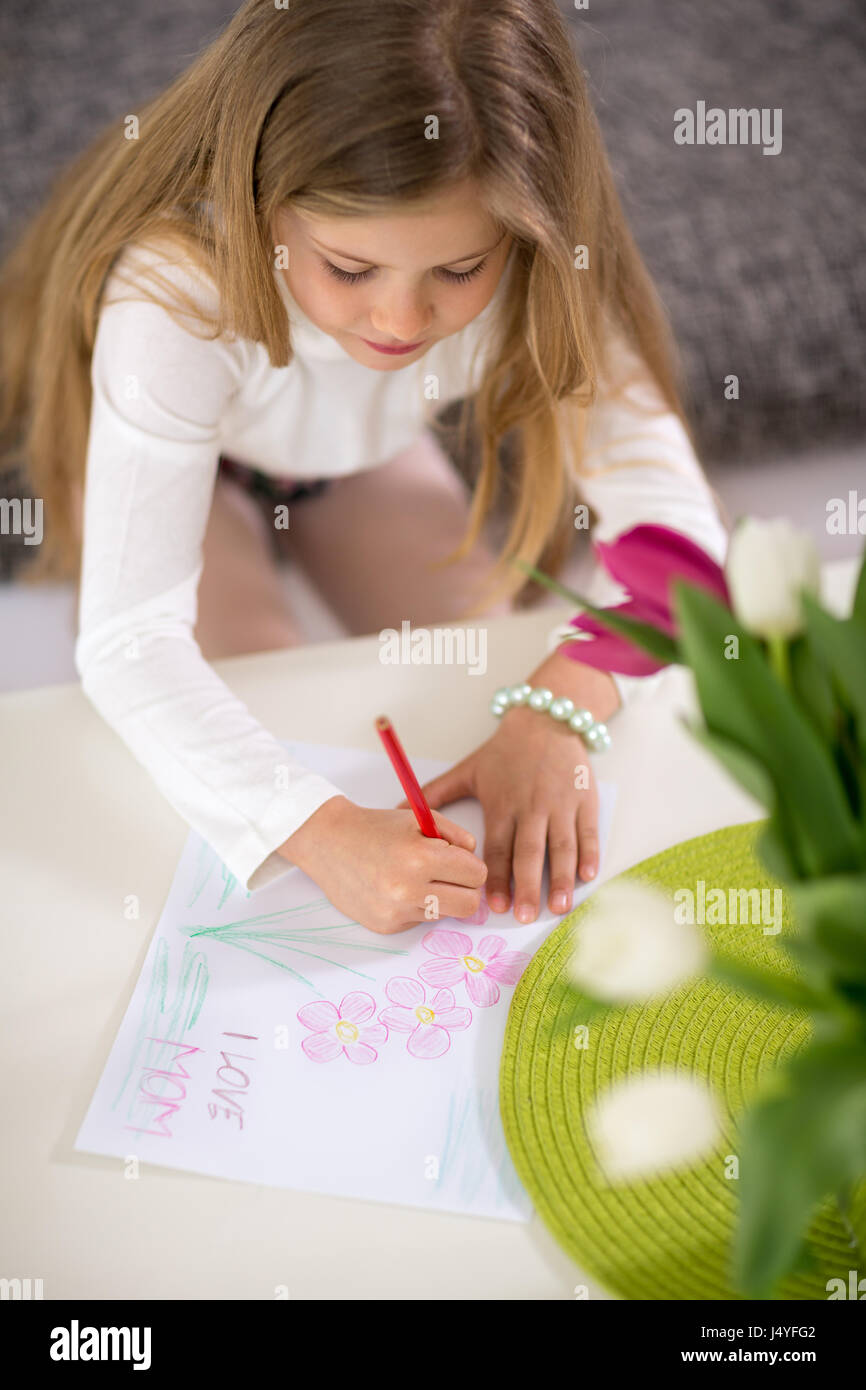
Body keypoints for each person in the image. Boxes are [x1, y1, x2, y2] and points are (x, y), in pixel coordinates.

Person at [0, 0, 726, 933]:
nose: (399, 324)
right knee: (282, 705)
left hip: (358, 463)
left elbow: (681, 547)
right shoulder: (175, 293)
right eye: (349, 269)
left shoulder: (545, 263)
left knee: (484, 665)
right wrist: (323, 829)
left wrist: (559, 707)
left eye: (459, 271)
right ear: (264, 207)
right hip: (202, 463)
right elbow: (129, 640)